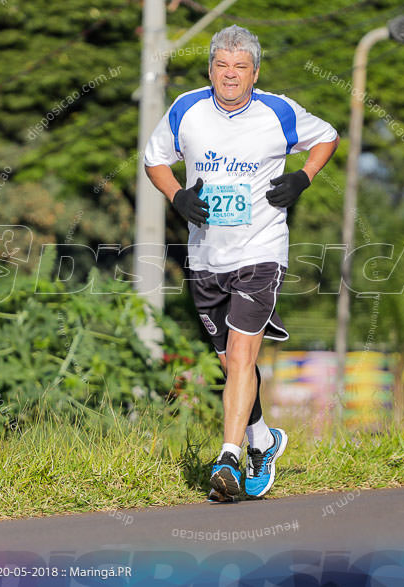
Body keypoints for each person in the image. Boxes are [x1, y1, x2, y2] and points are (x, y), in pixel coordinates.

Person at [144, 25, 338, 501]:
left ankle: (228, 459)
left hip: (261, 250)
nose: (230, 76)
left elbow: (328, 136)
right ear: (210, 69)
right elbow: (154, 160)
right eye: (222, 66)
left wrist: (304, 178)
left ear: (254, 73)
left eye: (240, 68)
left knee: (243, 355)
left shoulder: (278, 112)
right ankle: (262, 440)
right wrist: (177, 197)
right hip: (206, 254)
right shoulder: (186, 109)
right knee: (230, 362)